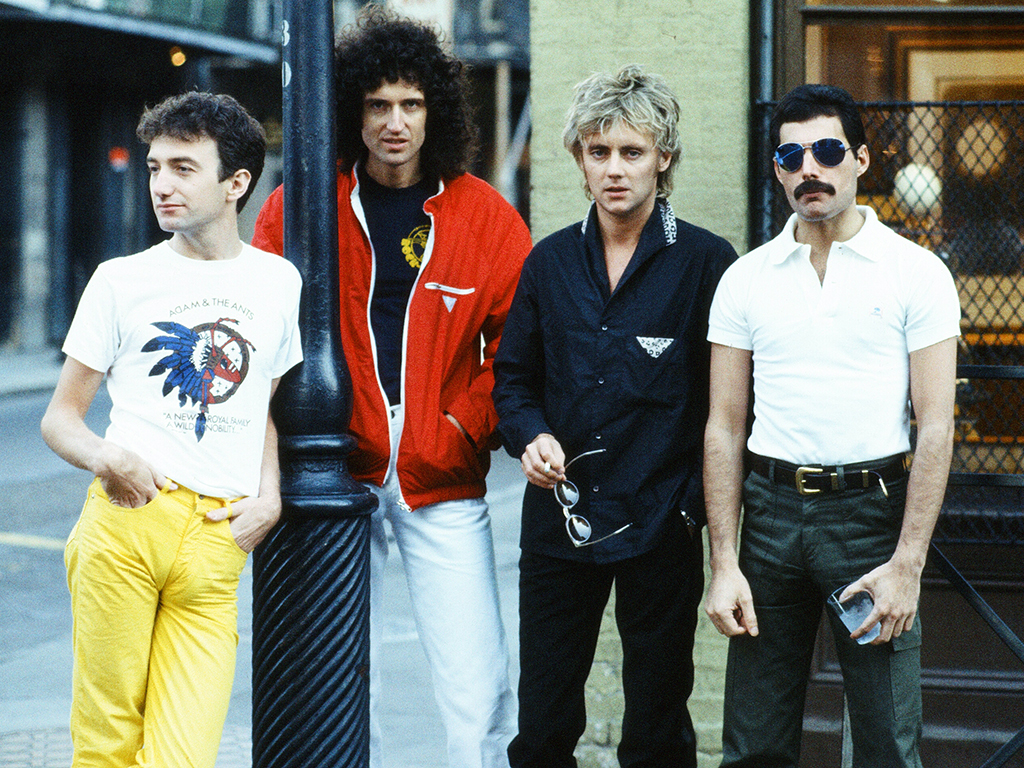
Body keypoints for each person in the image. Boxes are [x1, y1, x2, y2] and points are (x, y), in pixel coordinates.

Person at [251, 8, 531, 768]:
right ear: (353, 111)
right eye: (378, 105)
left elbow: (519, 349)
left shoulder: (485, 217)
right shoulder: (300, 207)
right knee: (336, 680)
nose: (395, 122)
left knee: (477, 684)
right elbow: (260, 326)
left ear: (432, 110)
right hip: (336, 465)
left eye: (410, 104)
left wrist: (461, 424)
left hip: (442, 474)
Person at [40, 92, 303, 768]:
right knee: (106, 743)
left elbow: (262, 404)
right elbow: (60, 420)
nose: (162, 184)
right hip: (128, 525)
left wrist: (268, 496)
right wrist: (110, 459)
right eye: (156, 167)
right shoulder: (121, 280)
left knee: (184, 754)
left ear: (236, 183)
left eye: (184, 168)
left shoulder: (278, 282)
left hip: (217, 544)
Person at [703, 83, 961, 767]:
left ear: (862, 160)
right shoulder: (746, 279)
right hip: (770, 518)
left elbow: (935, 426)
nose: (808, 168)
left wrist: (907, 565)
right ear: (778, 169)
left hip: (869, 521)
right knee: (753, 744)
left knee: (885, 741)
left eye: (826, 150)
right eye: (791, 155)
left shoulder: (917, 273)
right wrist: (723, 563)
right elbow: (724, 428)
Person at [493, 64, 738, 768]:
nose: (615, 170)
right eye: (598, 152)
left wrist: (691, 509)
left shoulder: (705, 262)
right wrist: (530, 434)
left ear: (664, 157)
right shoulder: (548, 265)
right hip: (559, 521)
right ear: (577, 158)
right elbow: (513, 380)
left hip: (659, 523)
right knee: (541, 727)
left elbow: (725, 406)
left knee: (658, 729)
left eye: (632, 152)